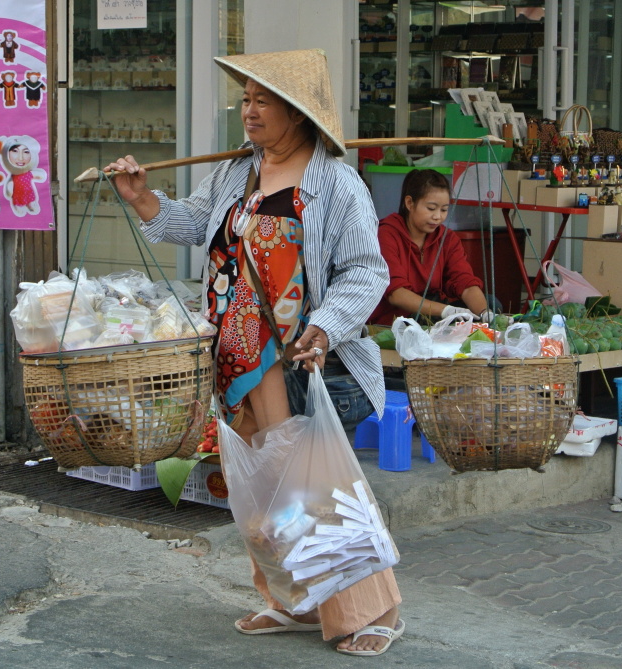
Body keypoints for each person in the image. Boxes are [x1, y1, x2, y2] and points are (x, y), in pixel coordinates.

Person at [105, 49, 403, 657]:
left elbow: (367, 272)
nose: (249, 110)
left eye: (262, 100)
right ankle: (292, 600)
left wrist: (323, 327)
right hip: (237, 360)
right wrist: (141, 198)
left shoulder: (335, 185)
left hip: (296, 360)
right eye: (245, 98)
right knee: (264, 491)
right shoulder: (238, 173)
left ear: (297, 114)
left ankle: (371, 612)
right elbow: (193, 221)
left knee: (315, 489)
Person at [369, 168, 494, 326]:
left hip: (432, 305)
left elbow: (465, 282)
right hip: (396, 315)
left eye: (444, 210)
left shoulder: (447, 238)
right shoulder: (387, 234)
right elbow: (396, 294)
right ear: (409, 203)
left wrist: (485, 313)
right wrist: (446, 311)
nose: (437, 217)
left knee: (491, 303)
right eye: (431, 208)